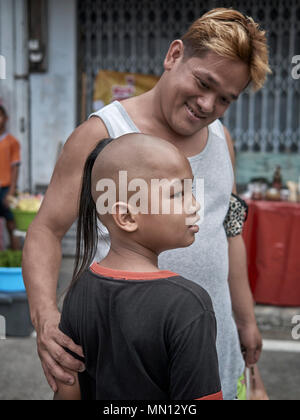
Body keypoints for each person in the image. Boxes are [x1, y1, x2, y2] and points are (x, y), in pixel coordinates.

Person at [22, 8, 271, 400]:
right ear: (174, 56)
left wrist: (246, 319)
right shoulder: (102, 135)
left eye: (225, 99)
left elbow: (229, 229)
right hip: (130, 366)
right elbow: (46, 230)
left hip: (214, 350)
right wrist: (45, 316)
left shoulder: (223, 139)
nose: (208, 105)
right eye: (203, 83)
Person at [53, 133, 222, 400]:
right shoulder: (188, 304)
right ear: (127, 216)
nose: (195, 205)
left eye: (191, 190)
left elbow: (67, 390)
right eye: (178, 193)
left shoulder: (79, 290)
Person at [0, 105, 21, 250]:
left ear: (5, 118)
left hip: (5, 188)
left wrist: (11, 191)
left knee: (11, 224)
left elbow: (15, 167)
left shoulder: (12, 141)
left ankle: (16, 258)